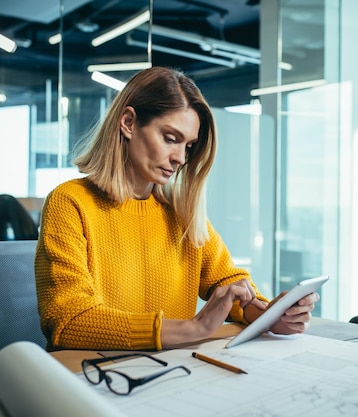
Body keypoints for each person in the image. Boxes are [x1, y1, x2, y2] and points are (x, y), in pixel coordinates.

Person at [34, 66, 319, 351]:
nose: (180, 158)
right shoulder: (70, 202)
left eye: (188, 146)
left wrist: (270, 316)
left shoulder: (181, 213)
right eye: (170, 139)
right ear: (129, 123)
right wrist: (195, 328)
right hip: (94, 376)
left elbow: (229, 283)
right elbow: (69, 320)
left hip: (171, 371)